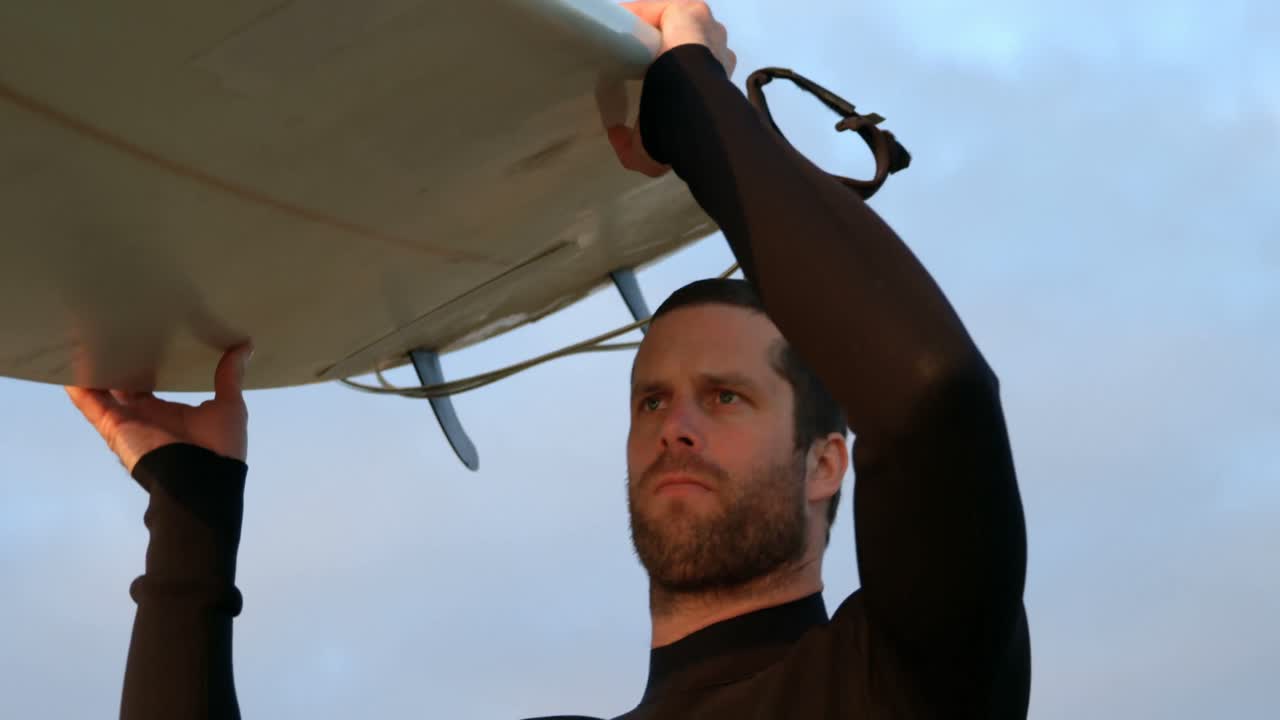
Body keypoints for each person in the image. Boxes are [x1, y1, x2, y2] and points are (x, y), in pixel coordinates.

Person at [67, 1, 1030, 717]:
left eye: (725, 396)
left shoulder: (900, 679)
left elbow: (935, 400)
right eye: (649, 402)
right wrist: (191, 509)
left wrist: (686, 104)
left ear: (827, 460)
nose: (675, 426)